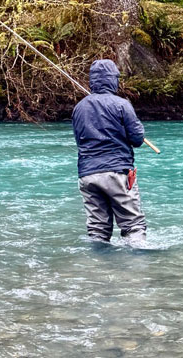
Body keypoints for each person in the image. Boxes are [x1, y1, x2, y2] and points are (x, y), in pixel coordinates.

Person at [71, 59, 147, 243]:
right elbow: (137, 139)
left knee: (97, 230)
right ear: (113, 80)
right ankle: (140, 266)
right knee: (132, 226)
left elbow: (79, 140)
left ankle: (97, 266)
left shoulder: (78, 108)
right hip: (117, 173)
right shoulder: (122, 104)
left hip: (87, 175)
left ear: (92, 81)